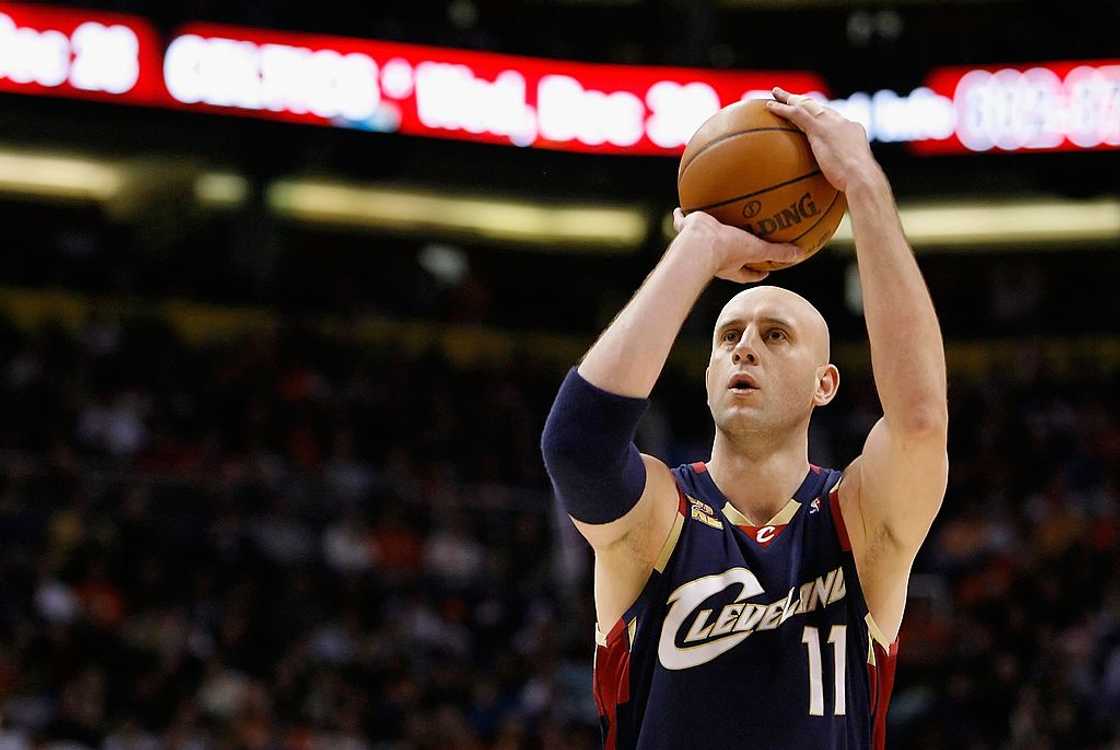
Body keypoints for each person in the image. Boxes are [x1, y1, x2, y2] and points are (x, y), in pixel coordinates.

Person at [540, 87, 948, 749]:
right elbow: (577, 445)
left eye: (776, 335)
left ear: (826, 385)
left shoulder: (859, 522)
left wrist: (865, 184)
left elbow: (922, 422)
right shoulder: (660, 522)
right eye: (728, 337)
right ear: (706, 379)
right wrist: (697, 247)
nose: (745, 346)